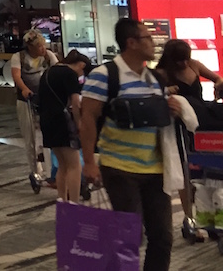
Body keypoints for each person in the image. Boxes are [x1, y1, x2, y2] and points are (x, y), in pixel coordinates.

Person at [81, 18, 194, 271]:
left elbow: (156, 116)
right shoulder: (105, 75)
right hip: (119, 167)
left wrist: (172, 109)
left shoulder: (154, 78)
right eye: (148, 38)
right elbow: (87, 118)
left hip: (155, 169)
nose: (153, 43)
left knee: (163, 238)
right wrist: (89, 162)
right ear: (131, 42)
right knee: (129, 237)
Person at [154, 38, 223, 239]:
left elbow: (217, 78)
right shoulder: (162, 73)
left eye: (186, 59)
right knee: (184, 171)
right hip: (177, 125)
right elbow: (152, 95)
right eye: (179, 61)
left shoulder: (195, 65)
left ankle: (208, 217)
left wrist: (218, 85)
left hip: (200, 122)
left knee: (204, 171)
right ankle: (188, 216)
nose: (184, 64)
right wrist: (166, 91)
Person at [37, 50, 91, 202]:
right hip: (63, 122)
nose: (81, 76)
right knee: (74, 165)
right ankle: (73, 202)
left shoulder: (47, 72)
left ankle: (62, 200)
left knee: (62, 164)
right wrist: (79, 122)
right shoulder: (69, 74)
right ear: (81, 65)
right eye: (82, 72)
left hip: (47, 121)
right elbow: (75, 101)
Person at [9, 29, 60, 187]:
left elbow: (58, 72)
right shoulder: (19, 58)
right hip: (26, 100)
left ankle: (53, 172)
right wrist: (24, 89)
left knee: (49, 136)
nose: (43, 49)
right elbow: (16, 76)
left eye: (43, 45)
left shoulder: (48, 56)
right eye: (39, 46)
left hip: (45, 99)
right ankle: (35, 170)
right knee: (30, 137)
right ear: (30, 47)